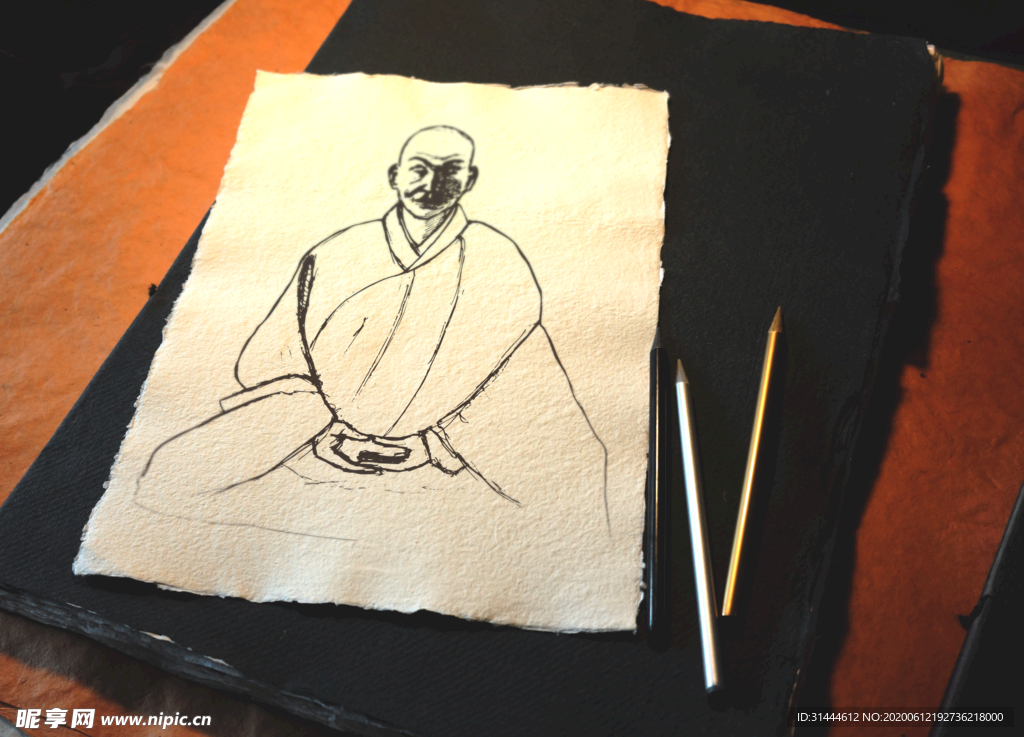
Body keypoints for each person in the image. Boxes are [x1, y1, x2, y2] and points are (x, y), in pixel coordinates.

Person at [137, 126, 607, 523]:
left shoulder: (500, 261)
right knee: (167, 482)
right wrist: (324, 426)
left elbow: (516, 372)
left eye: (449, 172)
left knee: (572, 506)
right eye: (419, 169)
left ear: (469, 180)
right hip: (316, 440)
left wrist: (433, 436)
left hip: (440, 454)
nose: (432, 184)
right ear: (395, 176)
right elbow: (272, 358)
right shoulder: (337, 252)